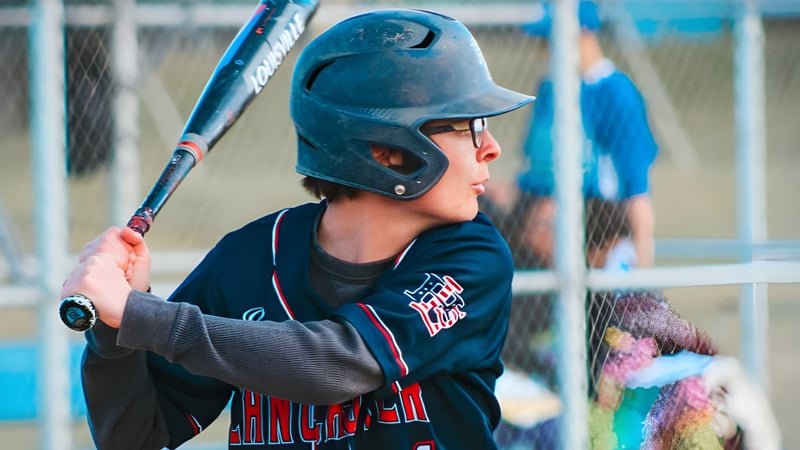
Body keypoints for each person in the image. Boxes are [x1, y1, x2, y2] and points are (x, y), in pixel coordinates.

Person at [60, 9, 535, 450]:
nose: (491, 147)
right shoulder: (248, 259)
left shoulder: (471, 258)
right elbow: (135, 437)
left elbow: (337, 365)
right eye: (468, 126)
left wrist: (141, 316)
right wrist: (113, 330)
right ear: (387, 150)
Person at [485, 0, 658, 270]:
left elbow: (637, 193)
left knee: (543, 225)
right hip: (536, 210)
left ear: (583, 35)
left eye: (551, 40)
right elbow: (537, 165)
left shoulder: (615, 93)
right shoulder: (549, 88)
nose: (543, 50)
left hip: (593, 219)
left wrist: (643, 276)